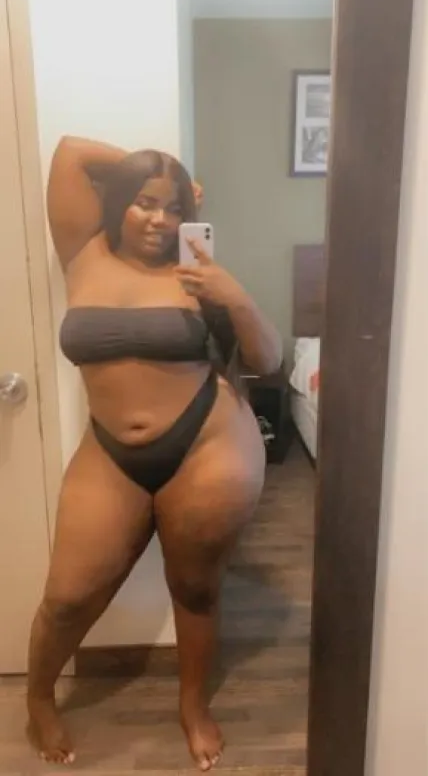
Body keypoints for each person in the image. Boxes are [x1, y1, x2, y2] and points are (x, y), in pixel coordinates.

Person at [26, 137, 283, 772]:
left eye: (173, 209)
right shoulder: (82, 249)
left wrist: (233, 294)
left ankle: (192, 706)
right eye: (145, 203)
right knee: (67, 597)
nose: (160, 220)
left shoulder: (196, 271)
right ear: (119, 201)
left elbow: (269, 360)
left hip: (205, 447)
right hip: (109, 450)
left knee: (195, 588)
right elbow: (70, 153)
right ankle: (38, 699)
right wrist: (175, 176)